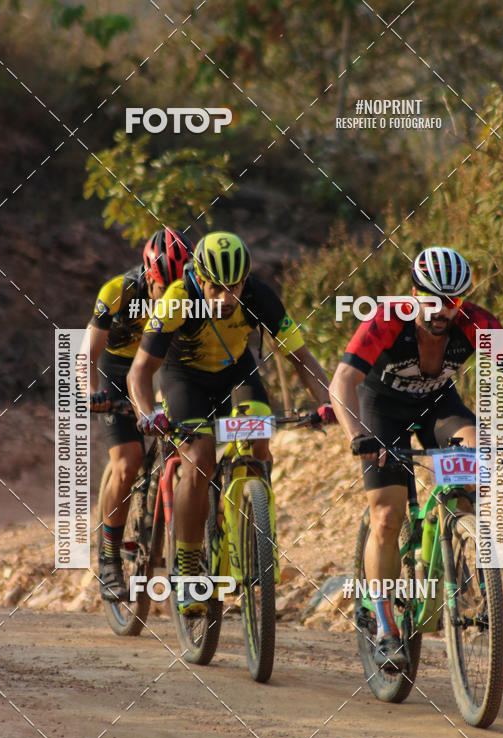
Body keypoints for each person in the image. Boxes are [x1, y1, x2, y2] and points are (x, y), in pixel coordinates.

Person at [329, 246, 503, 672]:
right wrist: (358, 437)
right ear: (414, 293)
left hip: (439, 405)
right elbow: (343, 381)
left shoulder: (477, 322)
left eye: (453, 302)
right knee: (386, 515)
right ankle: (384, 624)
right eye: (434, 300)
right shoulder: (386, 318)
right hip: (382, 409)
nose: (442, 312)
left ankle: (457, 551)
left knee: (475, 454)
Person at [127, 230, 335, 614]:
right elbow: (140, 371)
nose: (227, 299)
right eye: (217, 289)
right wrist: (147, 412)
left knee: (258, 439)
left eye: (235, 287)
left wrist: (332, 404)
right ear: (199, 279)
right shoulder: (177, 300)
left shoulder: (259, 297)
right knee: (200, 456)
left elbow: (303, 360)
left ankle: (253, 526)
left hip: (235, 374)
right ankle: (188, 570)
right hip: (183, 377)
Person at [88, 227, 194, 601]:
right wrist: (93, 394)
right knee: (128, 462)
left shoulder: (193, 292)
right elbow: (88, 355)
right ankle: (109, 558)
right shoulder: (118, 291)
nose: (171, 298)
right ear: (148, 277)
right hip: (118, 372)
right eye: (162, 289)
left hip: (166, 367)